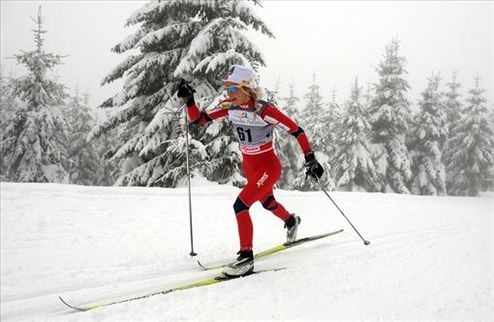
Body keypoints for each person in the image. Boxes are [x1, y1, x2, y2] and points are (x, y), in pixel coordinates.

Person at [176, 65, 323, 277]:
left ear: (247, 88)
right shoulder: (230, 106)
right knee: (267, 202)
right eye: (227, 88)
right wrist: (189, 101)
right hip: (251, 169)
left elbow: (297, 130)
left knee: (240, 205)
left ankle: (246, 258)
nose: (228, 94)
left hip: (269, 168)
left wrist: (310, 158)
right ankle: (291, 220)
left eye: (233, 89)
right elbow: (199, 120)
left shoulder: (264, 110)